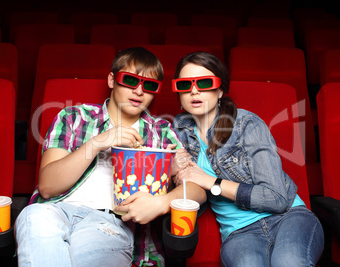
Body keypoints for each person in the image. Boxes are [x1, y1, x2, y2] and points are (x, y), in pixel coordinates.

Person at [14, 47, 206, 267]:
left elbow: (197, 190)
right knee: (34, 217)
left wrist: (162, 202)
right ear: (112, 80)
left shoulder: (161, 132)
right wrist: (98, 143)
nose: (139, 91)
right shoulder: (74, 117)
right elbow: (48, 187)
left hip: (110, 224)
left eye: (149, 85)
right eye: (130, 80)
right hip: (53, 212)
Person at [171, 51, 324, 266]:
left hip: (288, 218)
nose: (194, 90)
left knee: (289, 262)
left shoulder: (246, 124)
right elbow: (176, 187)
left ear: (220, 90)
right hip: (239, 233)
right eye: (185, 85)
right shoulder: (176, 132)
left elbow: (276, 198)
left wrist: (210, 182)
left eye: (204, 83)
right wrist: (174, 172)